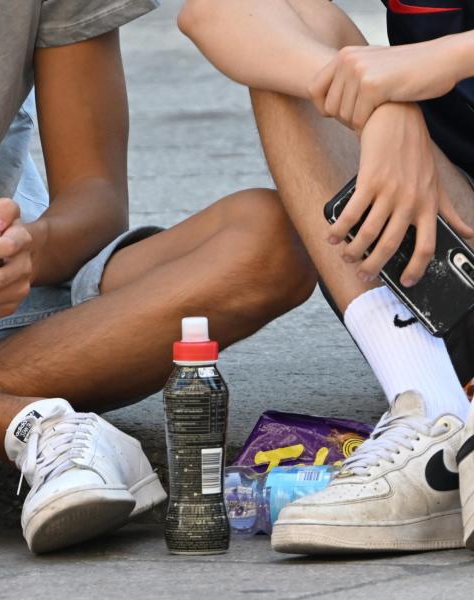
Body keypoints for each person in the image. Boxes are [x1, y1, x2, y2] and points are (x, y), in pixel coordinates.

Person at [0, 1, 316, 553]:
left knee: (273, 240)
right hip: (5, 349)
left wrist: (26, 251)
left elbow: (95, 198)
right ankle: (32, 427)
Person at [179, 0, 474, 554]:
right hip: (458, 234)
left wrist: (448, 57)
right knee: (295, 53)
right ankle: (434, 415)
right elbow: (219, 10)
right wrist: (375, 105)